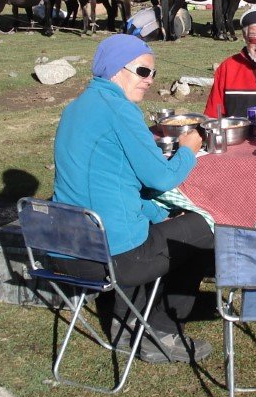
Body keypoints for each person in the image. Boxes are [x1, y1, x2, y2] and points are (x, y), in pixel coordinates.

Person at [52, 34, 213, 363]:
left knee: (161, 224)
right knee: (202, 225)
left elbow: (109, 183)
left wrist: (156, 213)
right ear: (114, 70)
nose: (149, 81)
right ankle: (162, 328)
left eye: (152, 73)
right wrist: (188, 150)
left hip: (65, 248)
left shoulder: (77, 107)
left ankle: (129, 325)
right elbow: (161, 177)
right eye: (142, 71)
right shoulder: (119, 110)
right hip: (112, 257)